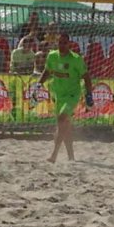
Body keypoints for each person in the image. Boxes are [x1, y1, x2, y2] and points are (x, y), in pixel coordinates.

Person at [34, 32, 94, 163]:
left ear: (69, 44)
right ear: (57, 43)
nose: (62, 45)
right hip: (59, 95)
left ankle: (54, 155)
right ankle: (71, 156)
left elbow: (87, 77)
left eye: (64, 43)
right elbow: (47, 71)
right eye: (60, 43)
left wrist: (89, 95)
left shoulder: (76, 59)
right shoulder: (52, 56)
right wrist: (38, 85)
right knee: (64, 126)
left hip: (72, 95)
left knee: (62, 120)